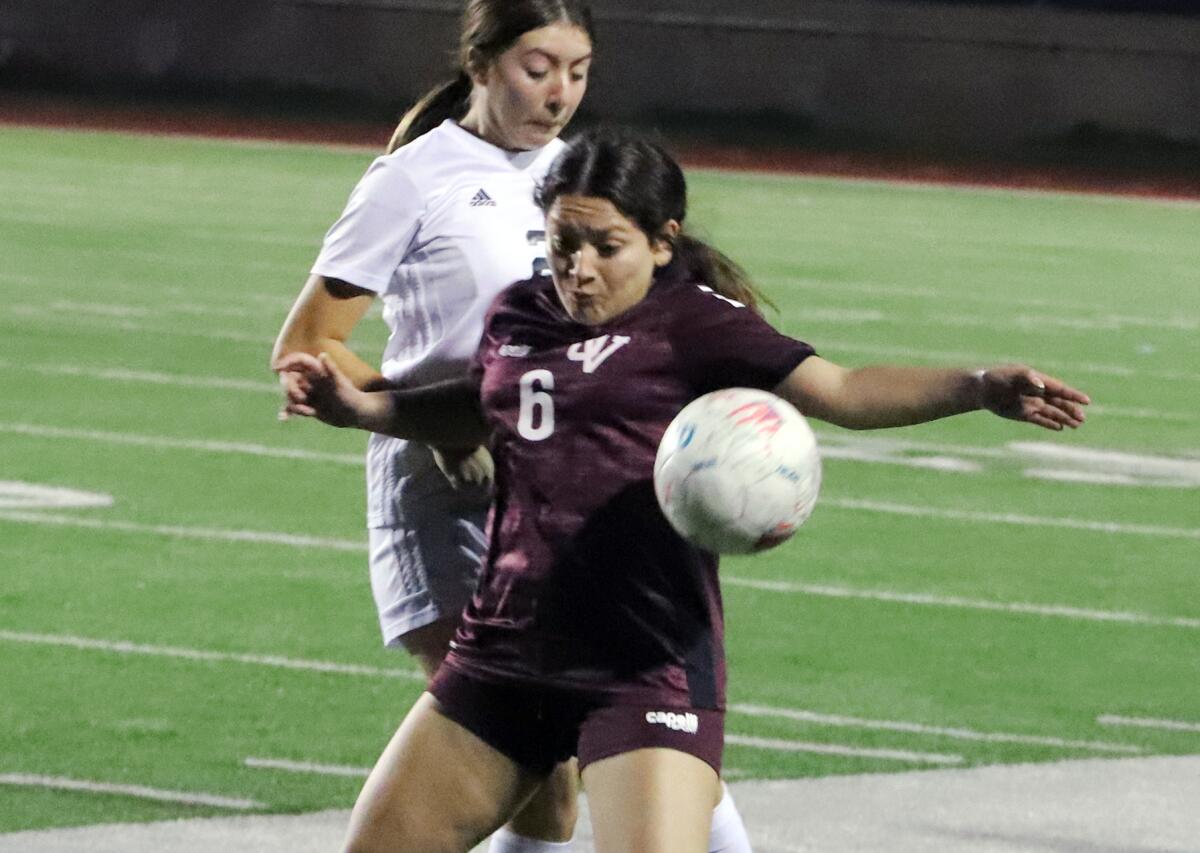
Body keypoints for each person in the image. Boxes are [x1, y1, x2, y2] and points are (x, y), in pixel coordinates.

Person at [275, 127, 1090, 853]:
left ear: (663, 242)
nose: (578, 268)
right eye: (563, 242)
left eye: (606, 246)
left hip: (643, 665)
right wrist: (364, 409)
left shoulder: (699, 325)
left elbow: (842, 390)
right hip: (504, 655)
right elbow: (492, 402)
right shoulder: (521, 313)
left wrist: (978, 385)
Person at [270, 3, 755, 851]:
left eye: (578, 70)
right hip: (448, 504)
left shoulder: (578, 175)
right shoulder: (414, 179)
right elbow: (310, 342)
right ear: (483, 62)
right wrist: (442, 428)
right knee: (548, 768)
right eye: (539, 67)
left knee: (612, 732)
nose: (560, 92)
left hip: (570, 496)